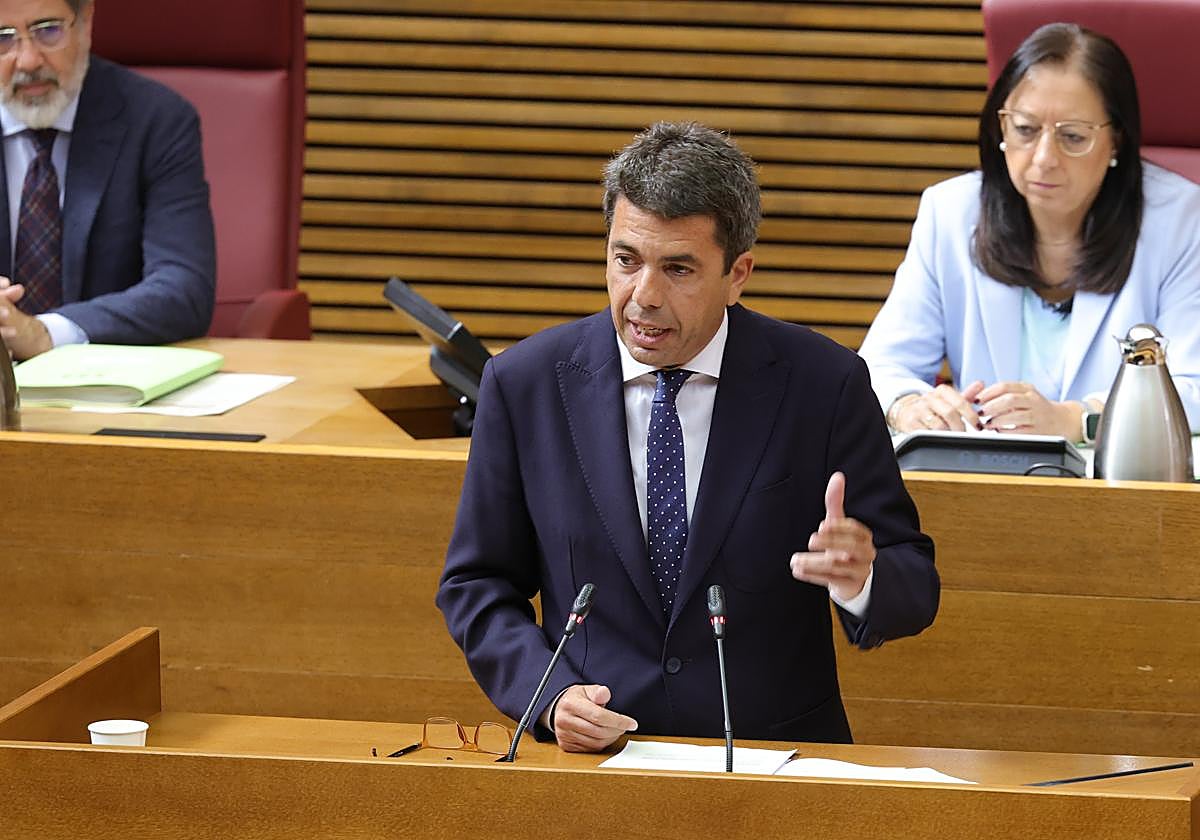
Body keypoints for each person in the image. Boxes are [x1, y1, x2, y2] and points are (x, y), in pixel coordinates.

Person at [437, 121, 938, 753]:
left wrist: (863, 579)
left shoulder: (824, 384)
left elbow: (913, 584)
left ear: (737, 273)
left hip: (772, 758)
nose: (643, 296)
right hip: (599, 759)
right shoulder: (525, 384)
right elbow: (477, 585)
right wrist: (550, 695)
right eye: (626, 260)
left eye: (678, 269)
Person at [859, 23, 1200, 441]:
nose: (1043, 158)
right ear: (1000, 128)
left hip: (1119, 476)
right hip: (980, 473)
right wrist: (909, 406)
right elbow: (880, 367)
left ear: (1117, 141)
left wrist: (1077, 419)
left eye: (1072, 137)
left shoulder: (1182, 220)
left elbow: (1194, 387)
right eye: (1025, 129)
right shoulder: (950, 213)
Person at [0, 0, 214, 361]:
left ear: (86, 22)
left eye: (48, 31)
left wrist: (45, 333)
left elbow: (184, 289)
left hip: (108, 378)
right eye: (3, 38)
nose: (28, 61)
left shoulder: (158, 120)